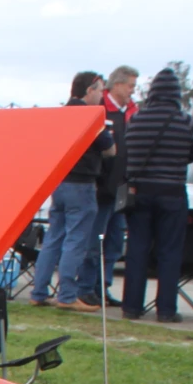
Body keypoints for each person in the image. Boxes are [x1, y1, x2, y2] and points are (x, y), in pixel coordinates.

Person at [120, 68, 193, 324]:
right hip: (172, 193)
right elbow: (192, 154)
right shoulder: (185, 120)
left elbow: (128, 152)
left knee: (137, 249)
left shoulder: (137, 119)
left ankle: (131, 306)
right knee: (169, 252)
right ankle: (166, 309)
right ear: (177, 94)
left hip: (140, 191)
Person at [32, 71, 114, 310]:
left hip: (59, 182)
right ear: (89, 90)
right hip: (82, 183)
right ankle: (67, 295)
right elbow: (110, 149)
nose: (101, 96)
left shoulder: (61, 114)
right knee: (76, 239)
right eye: (99, 90)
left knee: (53, 238)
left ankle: (39, 291)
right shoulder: (90, 117)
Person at [80, 65, 138, 307]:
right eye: (130, 86)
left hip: (123, 187)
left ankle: (103, 287)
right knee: (96, 240)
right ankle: (86, 287)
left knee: (115, 241)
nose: (133, 91)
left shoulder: (132, 113)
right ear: (117, 85)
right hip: (103, 187)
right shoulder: (100, 110)